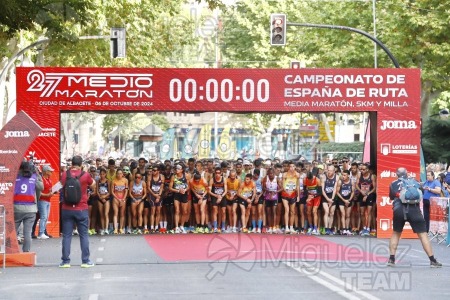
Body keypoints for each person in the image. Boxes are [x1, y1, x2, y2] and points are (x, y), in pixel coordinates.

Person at [387, 167, 442, 267]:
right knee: (423, 234)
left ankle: (391, 259)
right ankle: (432, 260)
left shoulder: (393, 184)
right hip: (415, 210)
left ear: (396, 174)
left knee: (396, 233)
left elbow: (391, 197)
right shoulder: (415, 182)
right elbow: (421, 193)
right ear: (407, 173)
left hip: (399, 210)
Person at [60, 155, 95, 268]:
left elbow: (60, 185)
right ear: (81, 164)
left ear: (71, 164)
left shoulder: (65, 174)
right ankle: (85, 261)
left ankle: (65, 262)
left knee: (67, 236)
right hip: (81, 209)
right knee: (84, 235)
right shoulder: (86, 175)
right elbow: (93, 184)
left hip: (67, 208)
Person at [14, 161, 44, 252]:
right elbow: (41, 188)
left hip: (16, 208)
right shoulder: (34, 177)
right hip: (31, 209)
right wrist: (38, 174)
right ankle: (26, 251)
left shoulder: (15, 176)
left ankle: (11, 250)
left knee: (12, 231)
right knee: (27, 232)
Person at [37, 165, 57, 239]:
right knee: (43, 216)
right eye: (50, 171)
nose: (51, 172)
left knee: (46, 217)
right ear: (46, 172)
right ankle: (40, 233)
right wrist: (47, 194)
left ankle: (43, 232)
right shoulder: (41, 180)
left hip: (48, 201)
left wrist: (54, 191)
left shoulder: (49, 179)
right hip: (42, 201)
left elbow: (49, 190)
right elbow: (38, 192)